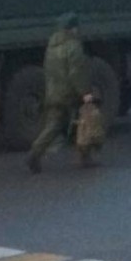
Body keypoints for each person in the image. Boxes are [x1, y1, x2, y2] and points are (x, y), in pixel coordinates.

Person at [27, 12, 96, 174]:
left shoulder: (51, 47)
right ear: (72, 29)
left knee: (53, 126)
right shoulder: (74, 47)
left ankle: (34, 153)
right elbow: (76, 73)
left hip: (54, 92)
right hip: (70, 93)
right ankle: (85, 157)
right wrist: (85, 93)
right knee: (85, 123)